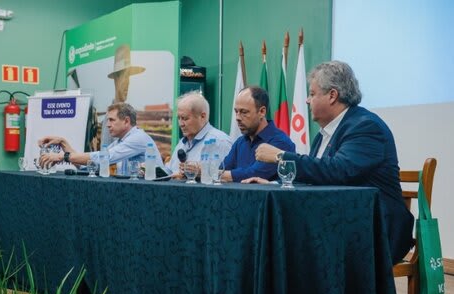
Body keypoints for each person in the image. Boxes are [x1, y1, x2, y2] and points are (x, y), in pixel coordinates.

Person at [249, 60, 413, 265]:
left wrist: (281, 156)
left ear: (332, 95)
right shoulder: (325, 133)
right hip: (343, 219)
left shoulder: (365, 126)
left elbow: (339, 171)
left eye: (312, 94)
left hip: (376, 226)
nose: (307, 101)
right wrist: (277, 184)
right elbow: (317, 177)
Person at [39, 102, 164, 174]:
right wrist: (63, 143)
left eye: (111, 120)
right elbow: (90, 165)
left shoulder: (138, 138)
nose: (108, 125)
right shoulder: (120, 141)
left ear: (126, 121)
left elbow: (104, 157)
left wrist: (62, 156)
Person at [220, 86, 295, 183]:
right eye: (236, 111)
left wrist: (210, 173)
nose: (237, 118)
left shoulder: (280, 142)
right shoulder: (240, 142)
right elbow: (223, 168)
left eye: (244, 112)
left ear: (262, 112)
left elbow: (254, 174)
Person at [166, 91, 232, 177]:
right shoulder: (182, 143)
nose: (181, 124)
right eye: (179, 118)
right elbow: (169, 171)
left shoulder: (220, 142)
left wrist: (200, 173)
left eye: (185, 118)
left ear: (202, 116)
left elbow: (226, 179)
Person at [100, 44, 146, 147]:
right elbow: (105, 151)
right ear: (116, 80)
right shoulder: (111, 116)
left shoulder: (128, 112)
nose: (127, 84)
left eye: (128, 79)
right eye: (124, 78)